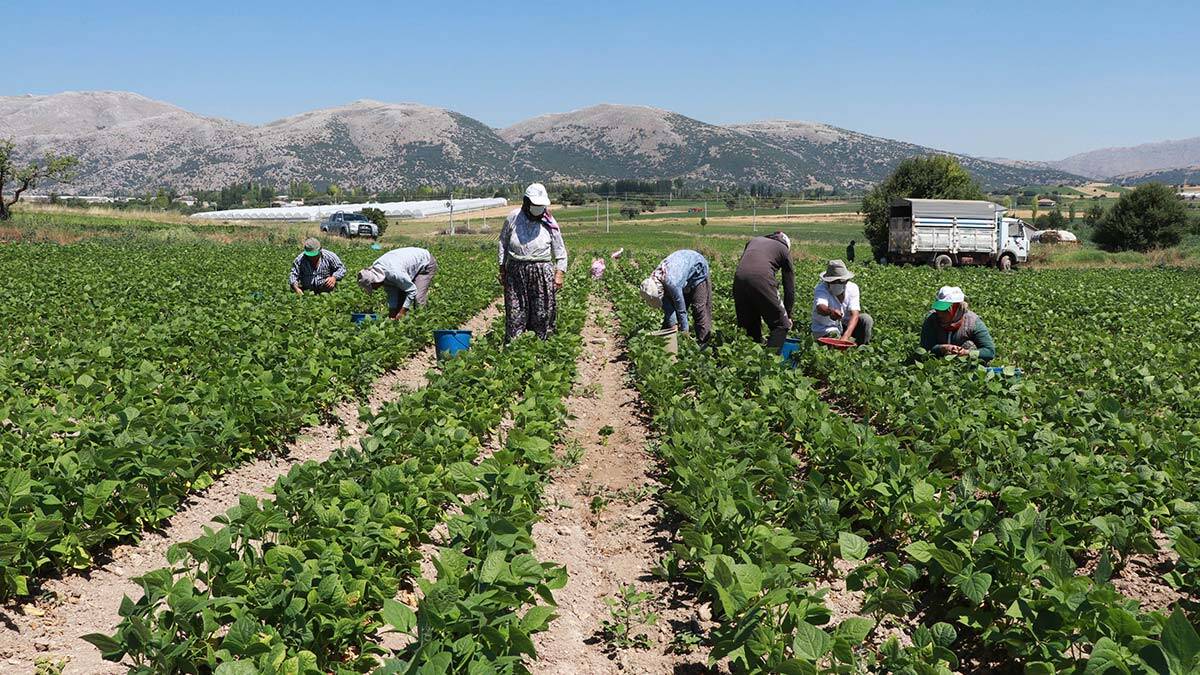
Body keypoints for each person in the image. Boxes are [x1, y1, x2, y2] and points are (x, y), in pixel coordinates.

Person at [499, 183, 567, 341]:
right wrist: (502, 267)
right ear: (526, 202)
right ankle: (515, 346)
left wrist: (559, 273)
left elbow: (560, 248)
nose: (538, 208)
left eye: (541, 205)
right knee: (515, 313)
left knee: (542, 313)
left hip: (541, 272)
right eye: (535, 205)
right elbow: (503, 242)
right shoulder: (513, 217)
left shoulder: (549, 221)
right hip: (516, 272)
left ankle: (540, 346)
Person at [733, 231, 795, 350]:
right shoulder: (784, 249)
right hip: (761, 278)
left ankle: (750, 356)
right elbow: (789, 287)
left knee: (749, 325)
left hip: (739, 278)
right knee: (781, 325)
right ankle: (770, 359)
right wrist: (788, 314)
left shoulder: (753, 241)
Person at [639, 249, 712, 344]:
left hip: (698, 269)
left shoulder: (672, 283)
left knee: (698, 308)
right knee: (673, 314)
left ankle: (703, 343)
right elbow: (668, 308)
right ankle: (664, 342)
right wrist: (673, 325)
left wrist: (685, 331)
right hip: (681, 273)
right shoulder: (654, 280)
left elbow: (681, 310)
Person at [356, 246, 438, 319]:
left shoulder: (394, 273)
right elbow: (392, 293)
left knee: (418, 297)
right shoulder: (380, 273)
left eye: (372, 287)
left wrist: (402, 311)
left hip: (425, 263)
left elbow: (412, 290)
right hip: (407, 266)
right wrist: (392, 313)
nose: (374, 289)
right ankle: (402, 323)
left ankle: (422, 321)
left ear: (375, 281)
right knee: (400, 300)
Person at [920, 286, 995, 362]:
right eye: (938, 309)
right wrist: (941, 348)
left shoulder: (973, 322)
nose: (939, 313)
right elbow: (925, 347)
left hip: (965, 363)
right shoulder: (931, 319)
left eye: (944, 310)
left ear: (957, 309)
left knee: (968, 344)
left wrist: (967, 352)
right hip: (938, 362)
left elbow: (989, 352)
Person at [811, 259, 873, 345]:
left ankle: (862, 347)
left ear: (846, 280)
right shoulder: (821, 288)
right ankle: (841, 347)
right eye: (833, 281)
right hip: (826, 328)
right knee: (834, 336)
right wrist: (830, 312)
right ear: (827, 281)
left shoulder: (852, 288)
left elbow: (855, 314)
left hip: (846, 326)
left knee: (866, 319)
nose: (836, 284)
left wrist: (845, 337)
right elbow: (820, 307)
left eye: (840, 281)